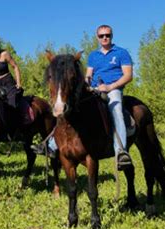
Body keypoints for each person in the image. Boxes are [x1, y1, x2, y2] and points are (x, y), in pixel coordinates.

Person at [32, 25, 133, 169]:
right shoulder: (93, 55)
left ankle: (121, 151)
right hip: (94, 88)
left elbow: (128, 75)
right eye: (101, 36)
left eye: (107, 35)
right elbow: (88, 75)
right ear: (98, 38)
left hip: (113, 89)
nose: (105, 38)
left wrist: (110, 87)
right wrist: (84, 86)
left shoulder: (121, 53)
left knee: (116, 111)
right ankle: (52, 145)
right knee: (69, 109)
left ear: (112, 36)